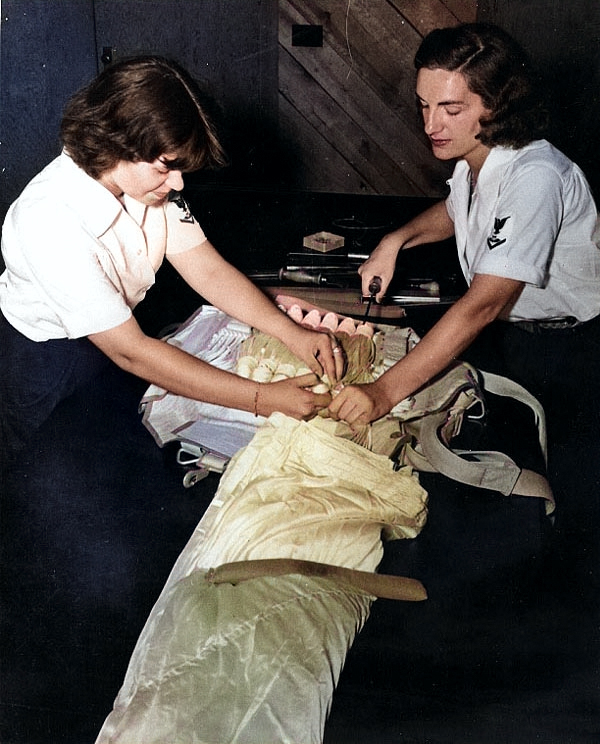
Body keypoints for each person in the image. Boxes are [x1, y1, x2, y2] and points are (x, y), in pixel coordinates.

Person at [328, 23, 600, 596]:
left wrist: (381, 395)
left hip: (571, 351)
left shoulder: (536, 176)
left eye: (450, 109)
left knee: (570, 524)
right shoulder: (477, 159)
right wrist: (395, 240)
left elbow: (482, 305)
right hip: (517, 336)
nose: (431, 125)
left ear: (496, 106)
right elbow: (457, 211)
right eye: (425, 106)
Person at [0, 55, 344, 461]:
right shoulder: (49, 220)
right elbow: (131, 351)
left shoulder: (147, 184)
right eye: (167, 166)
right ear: (117, 140)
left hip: (117, 340)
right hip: (50, 364)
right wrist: (260, 398)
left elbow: (208, 270)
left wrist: (291, 333)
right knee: (58, 475)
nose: (178, 182)